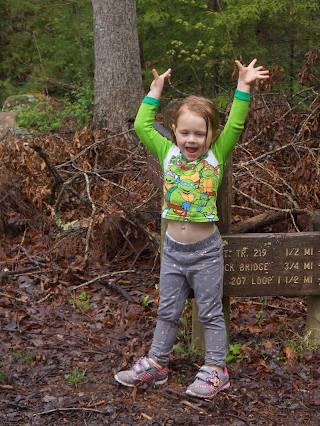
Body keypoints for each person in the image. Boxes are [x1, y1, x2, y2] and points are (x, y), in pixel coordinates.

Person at [115, 59, 269, 398]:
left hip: (205, 253)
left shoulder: (216, 155)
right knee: (167, 312)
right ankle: (157, 364)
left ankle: (216, 369)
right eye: (185, 132)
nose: (191, 139)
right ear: (174, 132)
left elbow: (236, 123)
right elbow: (141, 126)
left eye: (200, 133)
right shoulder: (167, 152)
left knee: (210, 313)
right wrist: (154, 93)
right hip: (173, 251)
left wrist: (243, 86)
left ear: (211, 135)